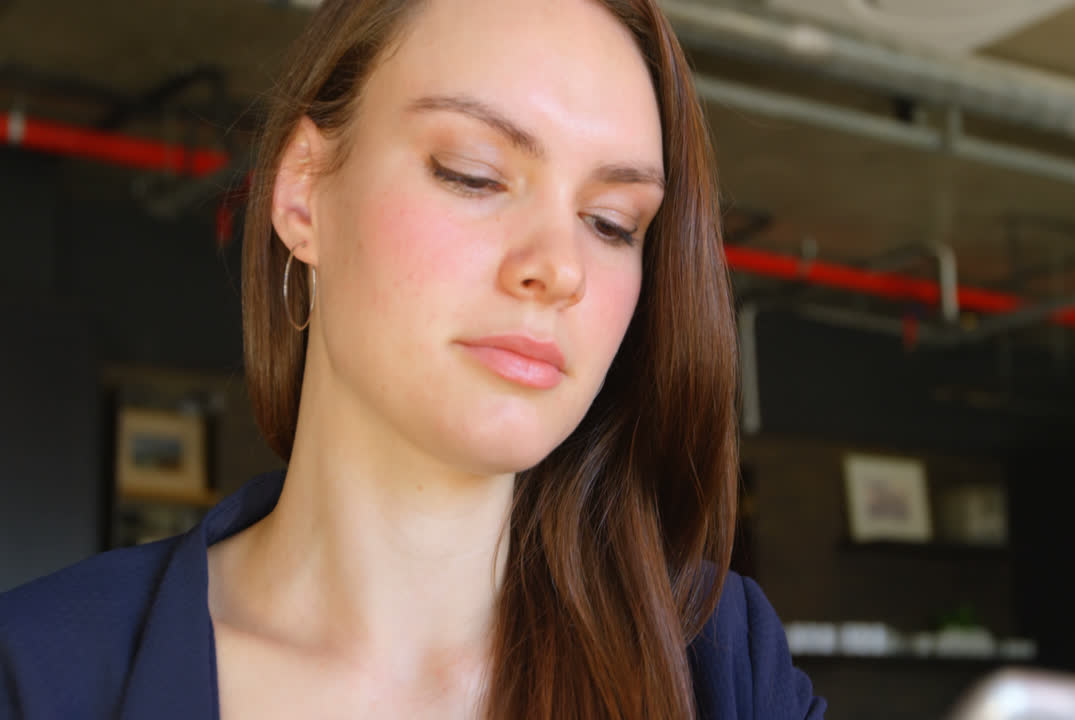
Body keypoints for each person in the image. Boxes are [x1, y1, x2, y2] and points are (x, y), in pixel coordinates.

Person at [0, 0, 826, 717]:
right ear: (303, 192)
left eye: (612, 222)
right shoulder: (40, 676)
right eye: (473, 175)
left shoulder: (718, 668)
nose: (560, 267)